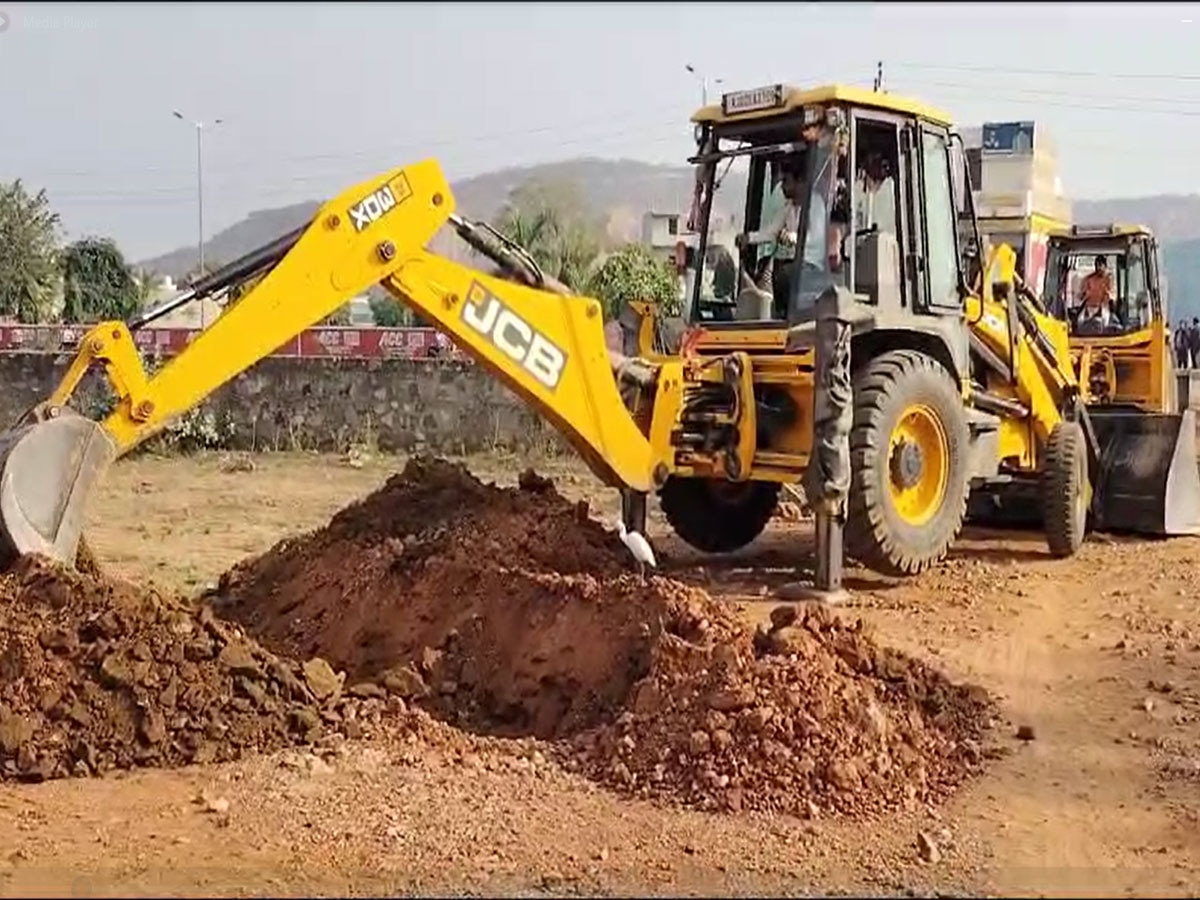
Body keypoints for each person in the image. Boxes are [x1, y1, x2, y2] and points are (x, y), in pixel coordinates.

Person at [734, 155, 825, 313]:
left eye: (786, 181)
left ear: (800, 182)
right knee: (770, 266)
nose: (782, 186)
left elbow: (815, 238)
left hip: (813, 266)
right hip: (797, 265)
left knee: (784, 272)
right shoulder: (788, 208)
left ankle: (788, 316)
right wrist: (748, 238)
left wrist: (792, 238)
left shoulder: (815, 204)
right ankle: (778, 314)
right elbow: (771, 232)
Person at [1075, 256, 1117, 330]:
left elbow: (1112, 295)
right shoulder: (1088, 279)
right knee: (1079, 322)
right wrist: (1084, 294)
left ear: (1105, 266)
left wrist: (1109, 296)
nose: (1099, 268)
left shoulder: (1109, 279)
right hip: (1088, 308)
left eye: (1101, 265)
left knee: (1105, 323)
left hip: (1103, 308)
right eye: (1097, 265)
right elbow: (1081, 296)